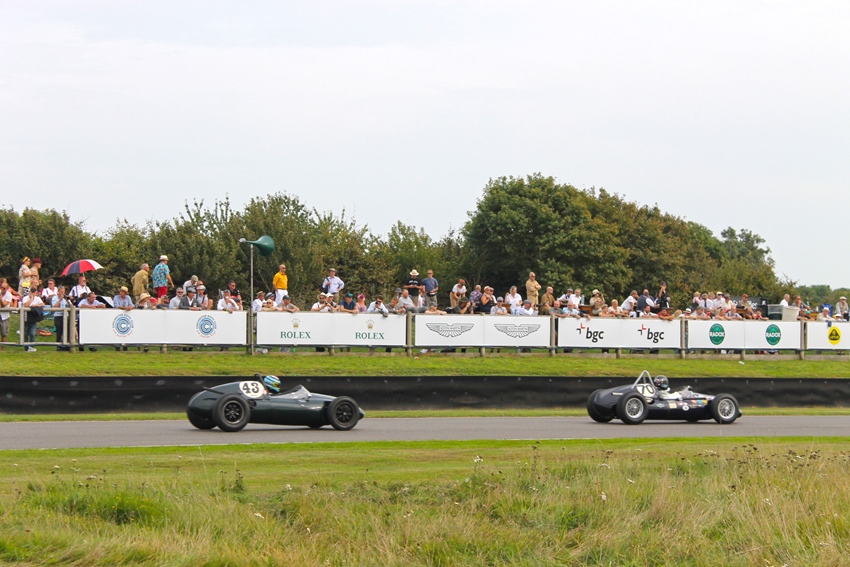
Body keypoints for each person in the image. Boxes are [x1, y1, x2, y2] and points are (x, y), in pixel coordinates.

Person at [22, 285, 44, 351]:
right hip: (26, 318)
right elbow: (25, 305)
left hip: (33, 318)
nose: (33, 294)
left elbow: (42, 304)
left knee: (32, 333)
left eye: (34, 292)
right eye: (32, 292)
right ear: (30, 292)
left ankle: (31, 347)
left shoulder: (37, 298)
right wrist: (31, 299)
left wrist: (36, 305)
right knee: (25, 333)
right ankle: (26, 348)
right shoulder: (25, 298)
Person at [51, 286, 71, 350]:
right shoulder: (55, 298)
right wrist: (60, 299)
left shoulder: (66, 298)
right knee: (59, 331)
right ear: (58, 292)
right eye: (61, 291)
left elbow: (72, 306)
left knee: (67, 331)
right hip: (58, 316)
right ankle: (59, 346)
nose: (62, 293)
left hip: (66, 315)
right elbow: (54, 307)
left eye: (63, 291)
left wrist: (68, 301)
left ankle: (67, 345)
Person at [1, 279, 15, 349]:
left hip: (4, 316)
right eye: (1, 287)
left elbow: (4, 305)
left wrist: (0, 299)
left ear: (7, 288)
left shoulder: (9, 295)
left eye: (4, 288)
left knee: (4, 333)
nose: (2, 289)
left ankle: (3, 349)